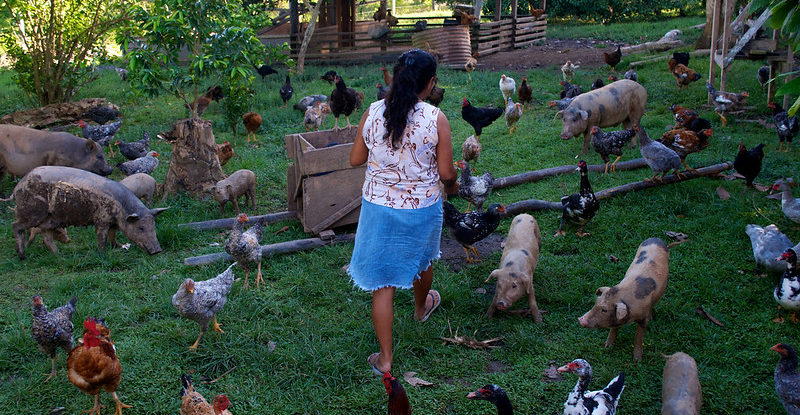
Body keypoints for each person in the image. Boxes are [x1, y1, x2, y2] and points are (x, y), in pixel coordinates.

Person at [348, 49, 458, 375]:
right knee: (422, 258)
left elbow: (355, 159)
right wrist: (451, 185)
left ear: (396, 78)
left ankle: (385, 359)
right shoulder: (436, 119)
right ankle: (422, 307)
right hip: (421, 208)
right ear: (431, 83)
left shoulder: (371, 112)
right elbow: (447, 174)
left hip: (377, 208)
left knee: (383, 285)